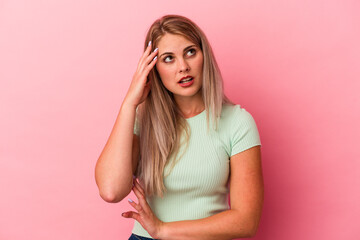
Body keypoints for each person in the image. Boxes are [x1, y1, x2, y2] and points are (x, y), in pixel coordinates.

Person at [95, 14, 264, 240]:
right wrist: (129, 104)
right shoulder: (141, 120)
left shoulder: (238, 122)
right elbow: (110, 190)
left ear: (204, 55)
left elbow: (246, 222)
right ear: (152, 69)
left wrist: (163, 230)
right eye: (168, 58)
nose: (183, 67)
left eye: (190, 52)